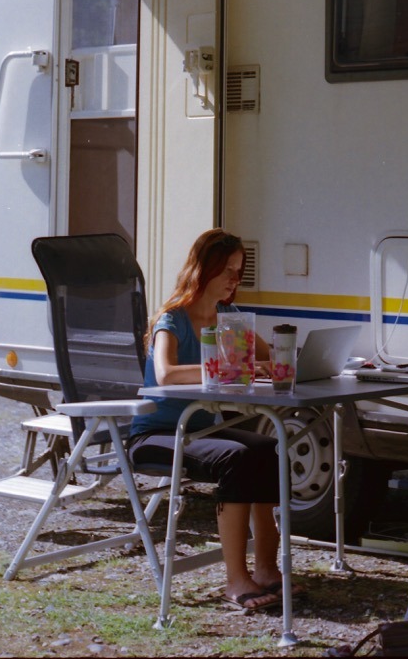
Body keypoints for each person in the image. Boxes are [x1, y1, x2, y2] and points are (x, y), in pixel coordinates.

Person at [128, 228, 300, 613]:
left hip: (203, 429)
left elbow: (268, 360)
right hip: (158, 434)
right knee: (236, 458)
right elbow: (167, 374)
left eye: (239, 272)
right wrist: (225, 366)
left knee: (270, 448)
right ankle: (236, 580)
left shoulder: (229, 318)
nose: (233, 281)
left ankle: (267, 569)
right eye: (227, 271)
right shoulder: (172, 319)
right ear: (203, 270)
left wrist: (276, 365)